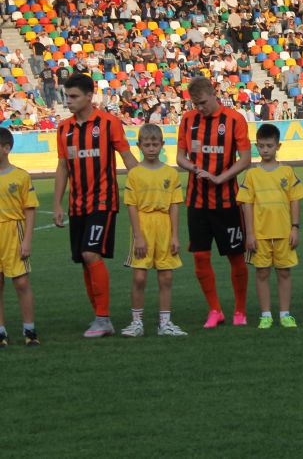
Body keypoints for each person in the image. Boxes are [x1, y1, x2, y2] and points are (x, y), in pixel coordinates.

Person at [54, 73, 138, 338]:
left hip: (103, 201)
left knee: (91, 254)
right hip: (77, 205)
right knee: (83, 259)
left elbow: (127, 158)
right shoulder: (63, 128)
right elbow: (63, 167)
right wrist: (57, 203)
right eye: (67, 96)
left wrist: (146, 184)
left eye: (74, 96)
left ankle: (102, 318)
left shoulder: (109, 123)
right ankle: (100, 318)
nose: (69, 101)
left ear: (90, 96)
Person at [177, 76, 251, 328]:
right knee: (200, 256)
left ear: (213, 93)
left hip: (227, 201)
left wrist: (221, 178)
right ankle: (214, 309)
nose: (200, 108)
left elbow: (245, 159)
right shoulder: (188, 120)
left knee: (235, 257)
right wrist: (195, 168)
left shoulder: (234, 120)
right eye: (195, 104)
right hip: (196, 202)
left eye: (203, 102)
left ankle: (240, 310)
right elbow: (180, 157)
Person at [120, 124, 187, 337]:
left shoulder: (170, 173)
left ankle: (165, 323)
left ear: (162, 145)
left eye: (155, 144)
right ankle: (137, 322)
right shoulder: (135, 174)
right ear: (139, 146)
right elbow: (131, 206)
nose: (151, 148)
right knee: (139, 277)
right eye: (146, 144)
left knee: (166, 277)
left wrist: (175, 235)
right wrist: (138, 236)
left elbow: (175, 205)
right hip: (144, 224)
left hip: (164, 225)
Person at [238, 124, 303, 329]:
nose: (265, 150)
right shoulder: (252, 175)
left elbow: (295, 200)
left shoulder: (287, 171)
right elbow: (246, 204)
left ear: (278, 146)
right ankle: (265, 314)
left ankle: (285, 314)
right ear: (256, 146)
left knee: (284, 272)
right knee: (262, 273)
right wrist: (249, 234)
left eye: (269, 145)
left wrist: (295, 228)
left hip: (284, 233)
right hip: (260, 235)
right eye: (261, 146)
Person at [0, 127, 40, 347]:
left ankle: (30, 331)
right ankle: (1, 332)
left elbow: (29, 209)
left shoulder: (21, 176)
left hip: (14, 233)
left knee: (21, 282)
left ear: (6, 149)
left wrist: (27, 241)